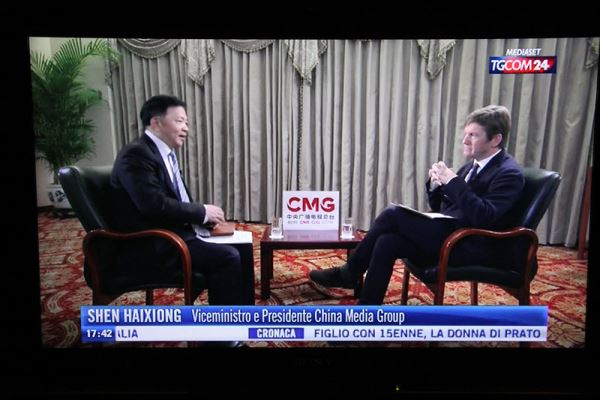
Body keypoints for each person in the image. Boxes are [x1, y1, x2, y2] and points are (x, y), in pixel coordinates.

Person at [310, 105, 525, 304]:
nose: (465, 140)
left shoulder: (509, 173)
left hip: (472, 245)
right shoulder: (472, 166)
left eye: (473, 135)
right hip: (453, 234)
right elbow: (444, 208)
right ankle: (367, 312)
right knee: (387, 242)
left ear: (495, 140)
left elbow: (484, 217)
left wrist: (453, 182)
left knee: (392, 214)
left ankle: (350, 273)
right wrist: (437, 185)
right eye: (466, 133)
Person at [110, 95, 246, 345]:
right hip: (152, 244)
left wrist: (202, 219)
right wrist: (202, 212)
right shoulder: (136, 155)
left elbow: (173, 201)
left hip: (172, 234)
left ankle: (238, 326)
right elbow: (153, 205)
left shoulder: (163, 154)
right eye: (180, 121)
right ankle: (221, 340)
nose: (186, 128)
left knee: (242, 247)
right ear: (156, 123)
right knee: (228, 258)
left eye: (187, 123)